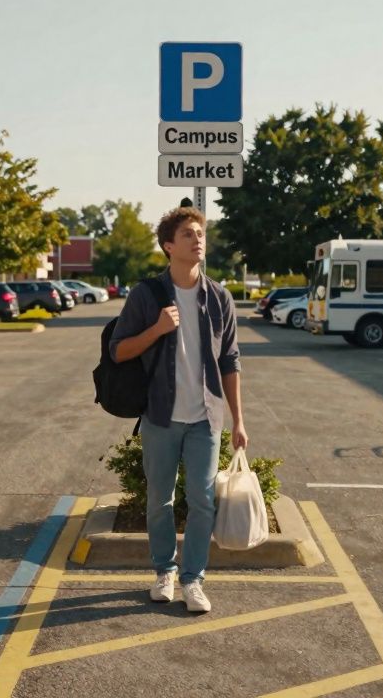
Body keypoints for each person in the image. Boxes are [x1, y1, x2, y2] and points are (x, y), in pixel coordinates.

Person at [108, 203, 246, 614]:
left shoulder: (219, 297)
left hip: (205, 417)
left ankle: (193, 579)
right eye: (188, 234)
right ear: (169, 246)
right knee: (160, 499)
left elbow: (230, 362)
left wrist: (239, 420)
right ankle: (164, 571)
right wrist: (157, 329)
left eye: (201, 233)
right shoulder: (146, 295)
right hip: (161, 416)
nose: (198, 239)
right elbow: (118, 351)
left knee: (203, 500)